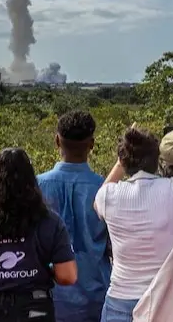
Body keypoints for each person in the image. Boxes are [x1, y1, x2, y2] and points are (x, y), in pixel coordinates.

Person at [94, 126, 173, 322]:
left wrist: (121, 161)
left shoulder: (108, 196)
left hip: (119, 303)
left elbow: (97, 200)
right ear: (157, 161)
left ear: (123, 162)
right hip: (167, 301)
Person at [0, 148, 78, 321]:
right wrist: (45, 271)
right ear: (31, 181)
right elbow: (67, 276)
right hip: (34, 309)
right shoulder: (50, 221)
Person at [37, 111, 110, 322]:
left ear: (57, 141)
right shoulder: (106, 189)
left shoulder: (36, 186)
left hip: (51, 296)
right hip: (97, 295)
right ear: (91, 144)